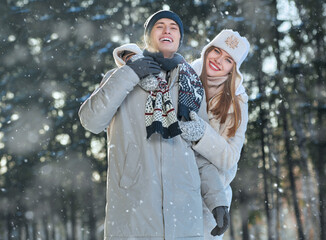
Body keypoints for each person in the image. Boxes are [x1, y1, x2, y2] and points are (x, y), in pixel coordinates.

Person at [78, 10, 230, 239]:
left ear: (179, 39)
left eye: (174, 27)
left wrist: (217, 200)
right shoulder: (121, 77)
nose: (167, 30)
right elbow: (91, 120)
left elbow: (199, 156)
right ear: (148, 36)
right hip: (134, 215)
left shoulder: (192, 88)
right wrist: (130, 73)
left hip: (184, 217)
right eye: (160, 26)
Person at [181, 29, 250, 239]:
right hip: (174, 186)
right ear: (208, 49)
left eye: (228, 59)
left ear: (233, 69)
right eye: (217, 51)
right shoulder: (183, 77)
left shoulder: (237, 103)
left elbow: (229, 158)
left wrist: (202, 134)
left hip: (210, 200)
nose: (218, 60)